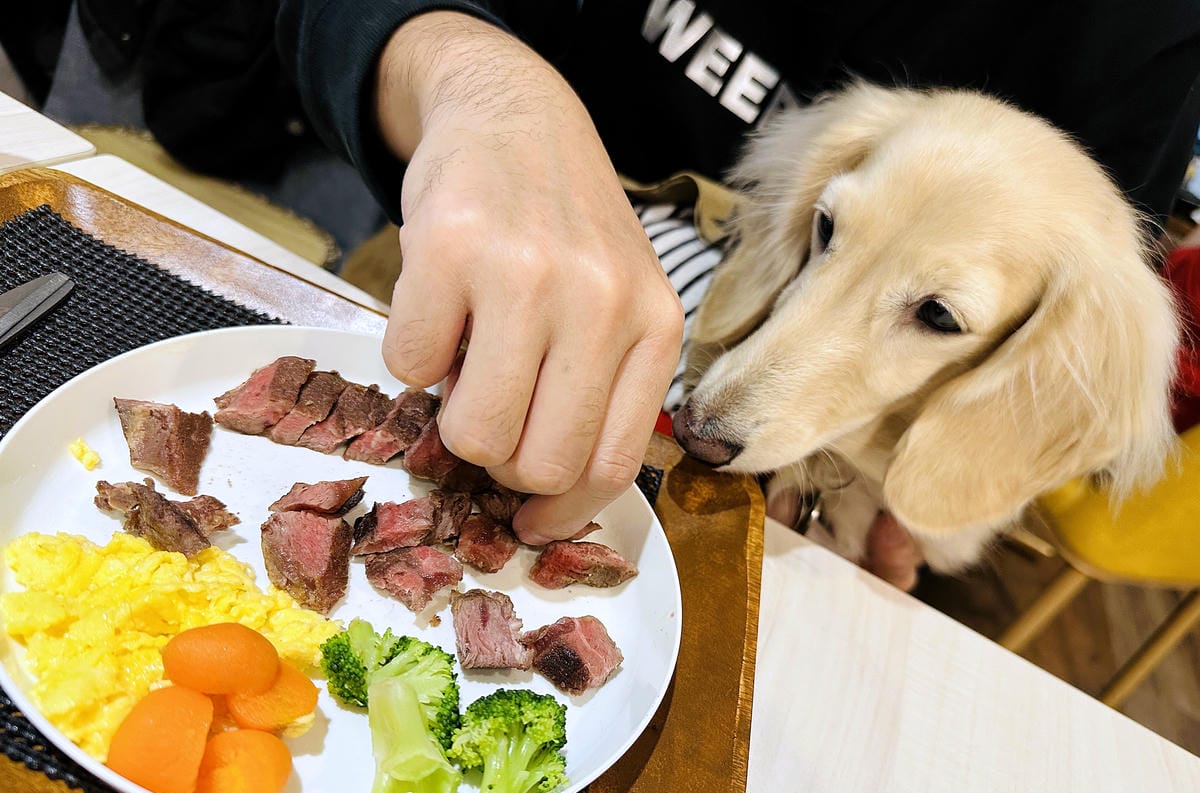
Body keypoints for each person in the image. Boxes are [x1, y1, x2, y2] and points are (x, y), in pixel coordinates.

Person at [276, 1, 1200, 567]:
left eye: (937, 312)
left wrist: (892, 498)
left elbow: (990, 454)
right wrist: (475, 80)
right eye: (832, 223)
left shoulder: (1148, 34)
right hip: (440, 273)